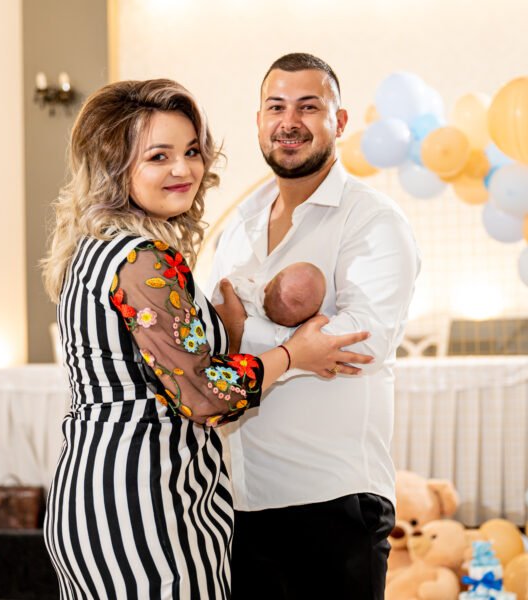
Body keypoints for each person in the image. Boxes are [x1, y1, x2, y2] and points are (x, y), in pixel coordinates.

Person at [40, 78, 374, 600]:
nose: (184, 169)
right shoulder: (142, 258)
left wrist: (227, 329)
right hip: (144, 499)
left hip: (99, 486)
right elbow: (204, 394)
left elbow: (156, 365)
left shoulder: (95, 246)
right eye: (158, 156)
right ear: (114, 166)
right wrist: (293, 355)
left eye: (192, 151)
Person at [209, 53, 421, 599]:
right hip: (239, 501)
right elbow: (215, 333)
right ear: (259, 121)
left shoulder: (371, 219)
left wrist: (246, 336)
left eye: (308, 107)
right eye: (276, 107)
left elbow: (361, 341)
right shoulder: (239, 224)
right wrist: (289, 347)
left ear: (339, 121)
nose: (289, 121)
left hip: (333, 499)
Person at [213, 262, 326, 330]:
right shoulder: (282, 337)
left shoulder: (245, 291)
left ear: (266, 286)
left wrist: (249, 282)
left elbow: (226, 284)